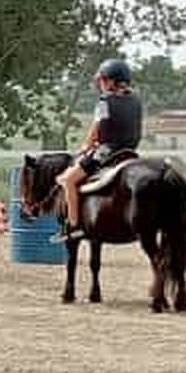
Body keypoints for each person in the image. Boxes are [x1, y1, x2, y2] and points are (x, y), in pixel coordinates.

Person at [56, 58, 143, 241]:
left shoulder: (104, 102)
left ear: (111, 81)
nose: (100, 84)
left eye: (102, 80)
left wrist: (85, 147)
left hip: (107, 153)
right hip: (130, 153)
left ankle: (73, 226)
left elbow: (95, 132)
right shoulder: (136, 101)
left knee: (68, 181)